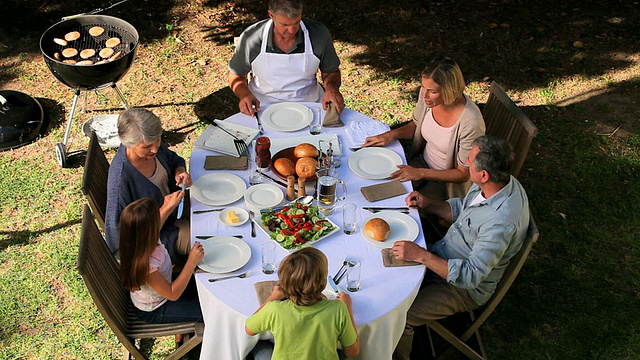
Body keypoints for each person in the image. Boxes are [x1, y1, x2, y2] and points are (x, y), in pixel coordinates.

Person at [391, 136, 530, 360]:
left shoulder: (500, 223)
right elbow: (464, 210)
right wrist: (428, 203)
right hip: (444, 252)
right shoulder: (497, 184)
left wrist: (422, 256)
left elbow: (471, 276)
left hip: (461, 289)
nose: (464, 163)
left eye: (469, 161)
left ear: (483, 174)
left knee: (399, 314)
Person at [362, 57, 485, 201]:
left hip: (446, 183)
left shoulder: (471, 122)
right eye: (423, 87)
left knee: (404, 201)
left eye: (432, 91)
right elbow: (416, 125)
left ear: (449, 90)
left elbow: (463, 173)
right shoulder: (428, 98)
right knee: (379, 188)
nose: (424, 95)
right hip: (421, 164)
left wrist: (420, 173)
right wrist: (391, 135)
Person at [228, 0, 345, 116]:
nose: (292, 30)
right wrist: (244, 94)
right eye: (285, 25)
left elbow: (330, 72)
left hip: (310, 105)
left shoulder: (318, 34)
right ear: (271, 15)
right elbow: (236, 75)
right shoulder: (252, 38)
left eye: (296, 22)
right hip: (262, 107)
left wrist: (331, 88)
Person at [106, 108, 192, 263]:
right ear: (129, 144)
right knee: (206, 241)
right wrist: (166, 208)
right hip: (160, 236)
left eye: (158, 140)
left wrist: (179, 172)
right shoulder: (121, 181)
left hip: (179, 209)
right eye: (146, 147)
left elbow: (174, 159)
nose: (155, 149)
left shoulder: (151, 145)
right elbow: (124, 242)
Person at [245, 247, 360, 359]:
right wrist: (347, 307)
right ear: (323, 282)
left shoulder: (274, 309)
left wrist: (274, 296)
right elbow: (352, 352)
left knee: (259, 344)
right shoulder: (338, 309)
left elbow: (248, 329)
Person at [119, 198, 204, 323]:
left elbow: (158, 221)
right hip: (157, 308)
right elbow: (172, 294)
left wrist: (169, 205)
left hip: (166, 283)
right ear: (149, 230)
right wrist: (191, 262)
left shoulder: (139, 240)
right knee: (210, 311)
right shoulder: (147, 265)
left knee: (207, 283)